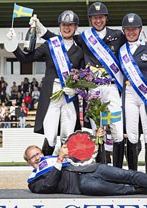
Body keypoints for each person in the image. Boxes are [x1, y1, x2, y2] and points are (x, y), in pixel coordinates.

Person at [37, 2, 126, 166]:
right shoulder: (84, 38)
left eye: (100, 17)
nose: (98, 20)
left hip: (112, 88)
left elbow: (132, 49)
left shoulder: (118, 35)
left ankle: (119, 171)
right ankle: (101, 169)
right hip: (93, 91)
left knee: (117, 132)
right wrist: (43, 32)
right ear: (90, 20)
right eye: (94, 18)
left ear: (106, 18)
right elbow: (62, 39)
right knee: (96, 130)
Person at [8, 10, 84, 155]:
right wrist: (13, 46)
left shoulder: (79, 50)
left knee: (67, 137)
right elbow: (26, 59)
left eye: (70, 25)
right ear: (60, 26)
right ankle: (46, 173)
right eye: (64, 25)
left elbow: (83, 75)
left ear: (75, 27)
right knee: (50, 137)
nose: (66, 28)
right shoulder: (50, 45)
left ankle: (68, 173)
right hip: (52, 95)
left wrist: (77, 89)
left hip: (70, 97)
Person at [24, 130, 147, 196]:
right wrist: (59, 160)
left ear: (42, 153)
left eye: (37, 154)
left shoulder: (51, 159)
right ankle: (143, 189)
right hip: (82, 185)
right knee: (122, 190)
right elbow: (48, 186)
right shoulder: (33, 181)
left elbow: (81, 154)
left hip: (92, 168)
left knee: (129, 174)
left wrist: (97, 139)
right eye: (32, 157)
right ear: (29, 162)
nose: (37, 158)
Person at [118, 13, 147, 175]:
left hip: (146, 96)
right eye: (128, 29)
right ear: (124, 31)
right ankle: (133, 175)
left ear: (140, 30)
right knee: (131, 134)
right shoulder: (120, 51)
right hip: (129, 94)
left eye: (134, 29)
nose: (131, 32)